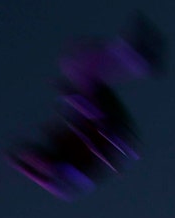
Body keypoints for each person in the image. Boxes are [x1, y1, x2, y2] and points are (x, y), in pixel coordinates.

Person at [10, 16, 164, 200]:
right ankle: (135, 58)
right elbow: (66, 183)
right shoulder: (67, 167)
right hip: (110, 128)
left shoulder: (59, 145)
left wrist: (74, 100)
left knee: (75, 67)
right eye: (36, 162)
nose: (36, 160)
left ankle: (133, 57)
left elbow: (79, 120)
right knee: (77, 69)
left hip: (103, 122)